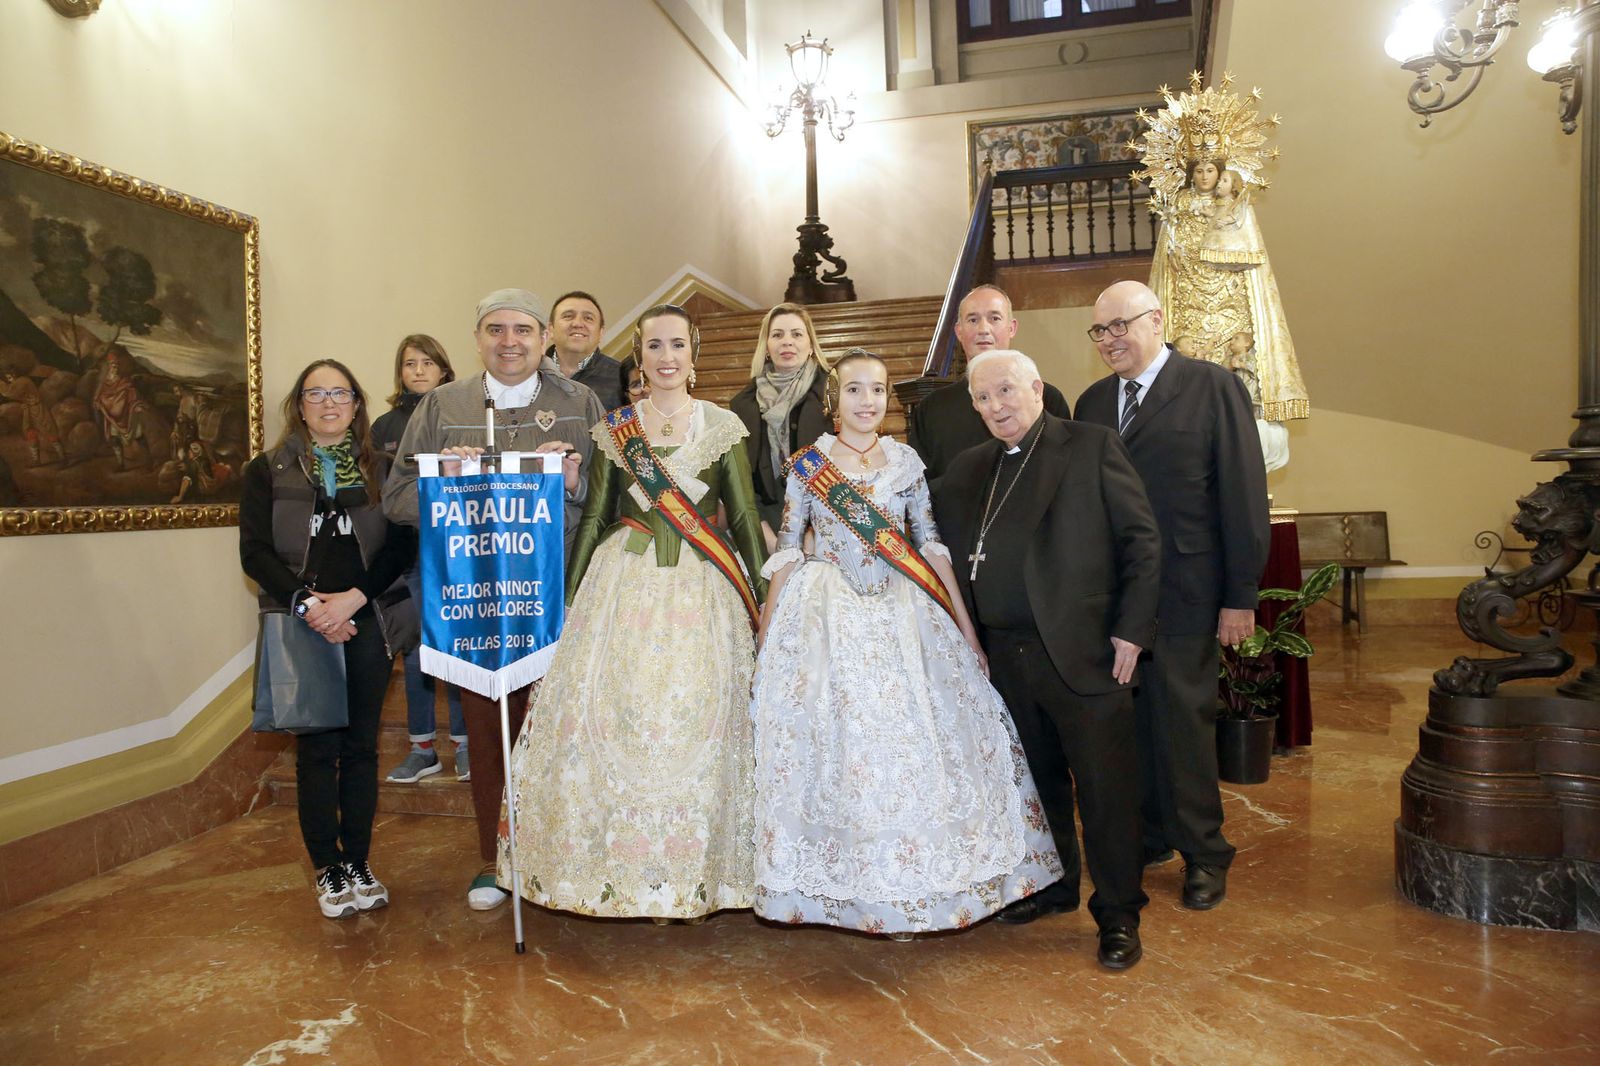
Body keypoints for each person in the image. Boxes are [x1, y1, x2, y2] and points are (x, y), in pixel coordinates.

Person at [750, 349, 1062, 938]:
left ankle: (918, 885)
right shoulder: (807, 466)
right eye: (854, 390)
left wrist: (967, 632)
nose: (867, 401)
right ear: (832, 399)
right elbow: (788, 550)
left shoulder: (907, 462)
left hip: (908, 615)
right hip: (828, 622)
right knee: (844, 750)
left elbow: (935, 548)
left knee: (918, 743)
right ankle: (856, 888)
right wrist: (767, 633)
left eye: (877, 390)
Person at [500, 304, 768, 921]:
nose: (667, 357)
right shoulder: (615, 429)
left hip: (702, 587)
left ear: (693, 355)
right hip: (621, 585)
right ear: (640, 357)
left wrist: (764, 594)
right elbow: (594, 517)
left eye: (677, 345)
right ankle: (619, 873)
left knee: (697, 718)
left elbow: (747, 516)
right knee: (619, 714)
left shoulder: (724, 426)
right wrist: (567, 604)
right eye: (654, 346)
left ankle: (696, 873)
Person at [934, 348, 1160, 970]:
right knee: (1037, 785)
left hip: (1087, 650)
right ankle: (1056, 885)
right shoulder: (969, 469)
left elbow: (1142, 542)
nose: (995, 407)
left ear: (1036, 387)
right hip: (1004, 656)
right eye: (982, 399)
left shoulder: (1089, 446)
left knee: (1106, 792)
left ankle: (1118, 914)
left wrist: (1132, 631)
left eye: (1005, 391)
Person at [383, 288, 602, 911]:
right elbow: (397, 498)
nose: (510, 342)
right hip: (473, 597)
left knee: (558, 728)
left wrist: (574, 480)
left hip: (553, 594)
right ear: (478, 339)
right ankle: (495, 857)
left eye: (524, 331)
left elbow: (604, 502)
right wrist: (442, 479)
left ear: (544, 339)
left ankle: (561, 855)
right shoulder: (441, 405)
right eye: (496, 330)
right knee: (485, 730)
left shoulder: (578, 402)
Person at [1074, 280, 1270, 912]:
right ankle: (1152, 834)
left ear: (1156, 320)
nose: (1109, 341)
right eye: (1099, 331)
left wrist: (1240, 595)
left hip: (1189, 590)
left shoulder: (1212, 386)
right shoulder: (1093, 403)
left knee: (1183, 723)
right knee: (1132, 725)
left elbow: (1243, 494)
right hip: (1119, 595)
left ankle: (1205, 853)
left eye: (1120, 326)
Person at [240, 359, 416, 919]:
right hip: (303, 620)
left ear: (358, 405)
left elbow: (400, 546)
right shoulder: (267, 469)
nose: (329, 403)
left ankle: (359, 861)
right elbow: (256, 552)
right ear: (300, 405)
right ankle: (328, 867)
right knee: (317, 750)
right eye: (316, 393)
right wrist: (312, 606)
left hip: (366, 616)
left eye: (340, 393)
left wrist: (354, 600)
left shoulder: (382, 470)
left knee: (361, 748)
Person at [369, 334, 469, 785]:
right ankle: (421, 746)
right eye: (409, 364)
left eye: (427, 363)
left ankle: (466, 744)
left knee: (458, 648)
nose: (418, 371)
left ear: (444, 369)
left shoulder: (460, 415)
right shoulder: (385, 427)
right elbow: (385, 495)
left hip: (455, 554)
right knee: (418, 655)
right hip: (408, 553)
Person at [1149, 158, 1307, 427]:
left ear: (1222, 174)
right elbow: (1170, 247)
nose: (1204, 177)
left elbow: (1246, 246)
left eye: (1211, 171)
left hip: (1229, 291)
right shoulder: (1181, 202)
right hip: (1188, 290)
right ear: (1190, 175)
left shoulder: (1236, 204)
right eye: (1198, 171)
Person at [907, 285, 1071, 491]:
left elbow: (1064, 471)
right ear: (959, 331)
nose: (984, 329)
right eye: (973, 320)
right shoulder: (932, 408)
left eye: (994, 318)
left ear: (1012, 328)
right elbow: (919, 487)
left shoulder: (1045, 397)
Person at [730, 302, 832, 552]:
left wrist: (812, 537)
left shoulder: (834, 394)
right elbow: (742, 483)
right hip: (766, 524)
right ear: (766, 346)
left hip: (827, 524)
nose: (787, 342)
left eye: (797, 334)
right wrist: (770, 541)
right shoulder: (742, 404)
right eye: (777, 335)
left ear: (811, 346)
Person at [544, 290, 623, 412]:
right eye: (568, 316)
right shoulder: (527, 374)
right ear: (550, 329)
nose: (577, 323)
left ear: (601, 333)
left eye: (588, 318)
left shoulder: (622, 378)